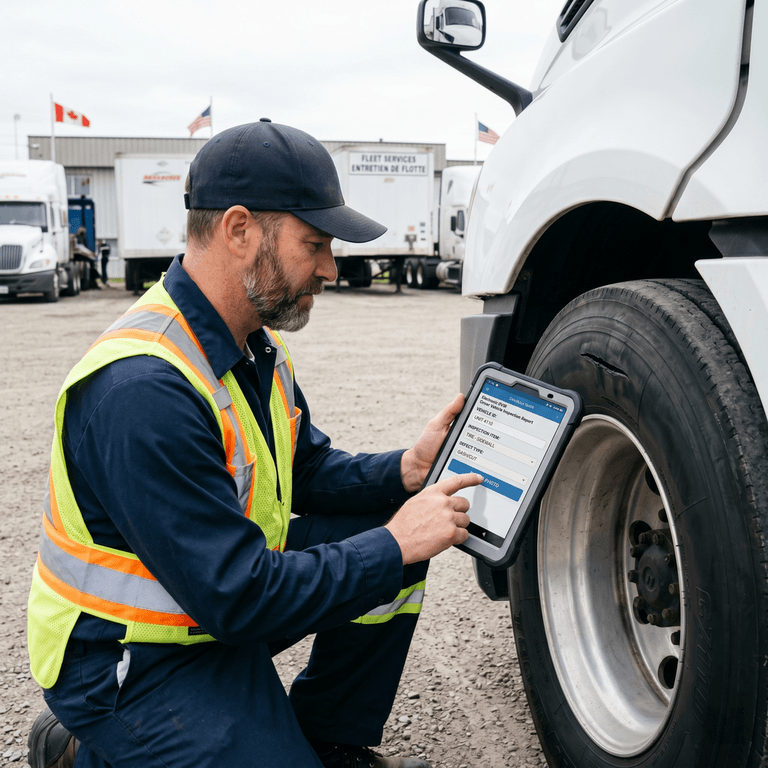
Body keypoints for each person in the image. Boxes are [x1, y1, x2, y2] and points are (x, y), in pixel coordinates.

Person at [26, 119, 482, 768]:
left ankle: (330, 738)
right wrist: (396, 542)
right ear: (240, 231)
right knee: (392, 544)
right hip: (133, 657)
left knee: (389, 533)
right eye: (314, 243)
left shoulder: (252, 345)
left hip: (212, 607)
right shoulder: (143, 387)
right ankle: (81, 747)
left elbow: (309, 469)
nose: (329, 267)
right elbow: (239, 597)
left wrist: (405, 472)